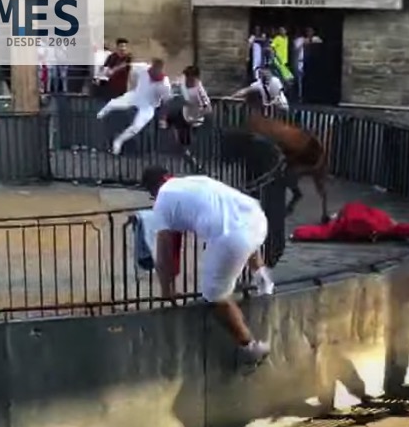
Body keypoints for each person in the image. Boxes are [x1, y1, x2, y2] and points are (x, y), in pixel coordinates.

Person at [140, 166, 276, 367]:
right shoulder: (194, 181)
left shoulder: (162, 202)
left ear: (152, 190)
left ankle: (250, 346)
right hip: (256, 217)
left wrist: (167, 292)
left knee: (213, 292)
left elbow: (165, 255)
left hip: (233, 238)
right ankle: (263, 280)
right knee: (244, 236)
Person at [97, 58, 172, 156]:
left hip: (148, 106)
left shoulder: (164, 83)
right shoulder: (144, 68)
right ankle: (100, 115)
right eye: (153, 68)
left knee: (136, 127)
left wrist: (163, 118)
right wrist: (113, 71)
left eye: (157, 70)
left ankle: (118, 141)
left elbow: (167, 101)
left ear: (161, 69)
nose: (154, 72)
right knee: (113, 103)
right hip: (136, 96)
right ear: (152, 66)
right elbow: (127, 65)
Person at [165, 66, 211, 171]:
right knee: (179, 145)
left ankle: (195, 165)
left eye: (190, 78)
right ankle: (192, 164)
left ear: (196, 78)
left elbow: (208, 108)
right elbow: (173, 88)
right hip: (181, 115)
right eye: (187, 77)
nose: (188, 80)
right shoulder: (182, 84)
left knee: (187, 146)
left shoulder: (199, 90)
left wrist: (195, 117)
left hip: (192, 120)